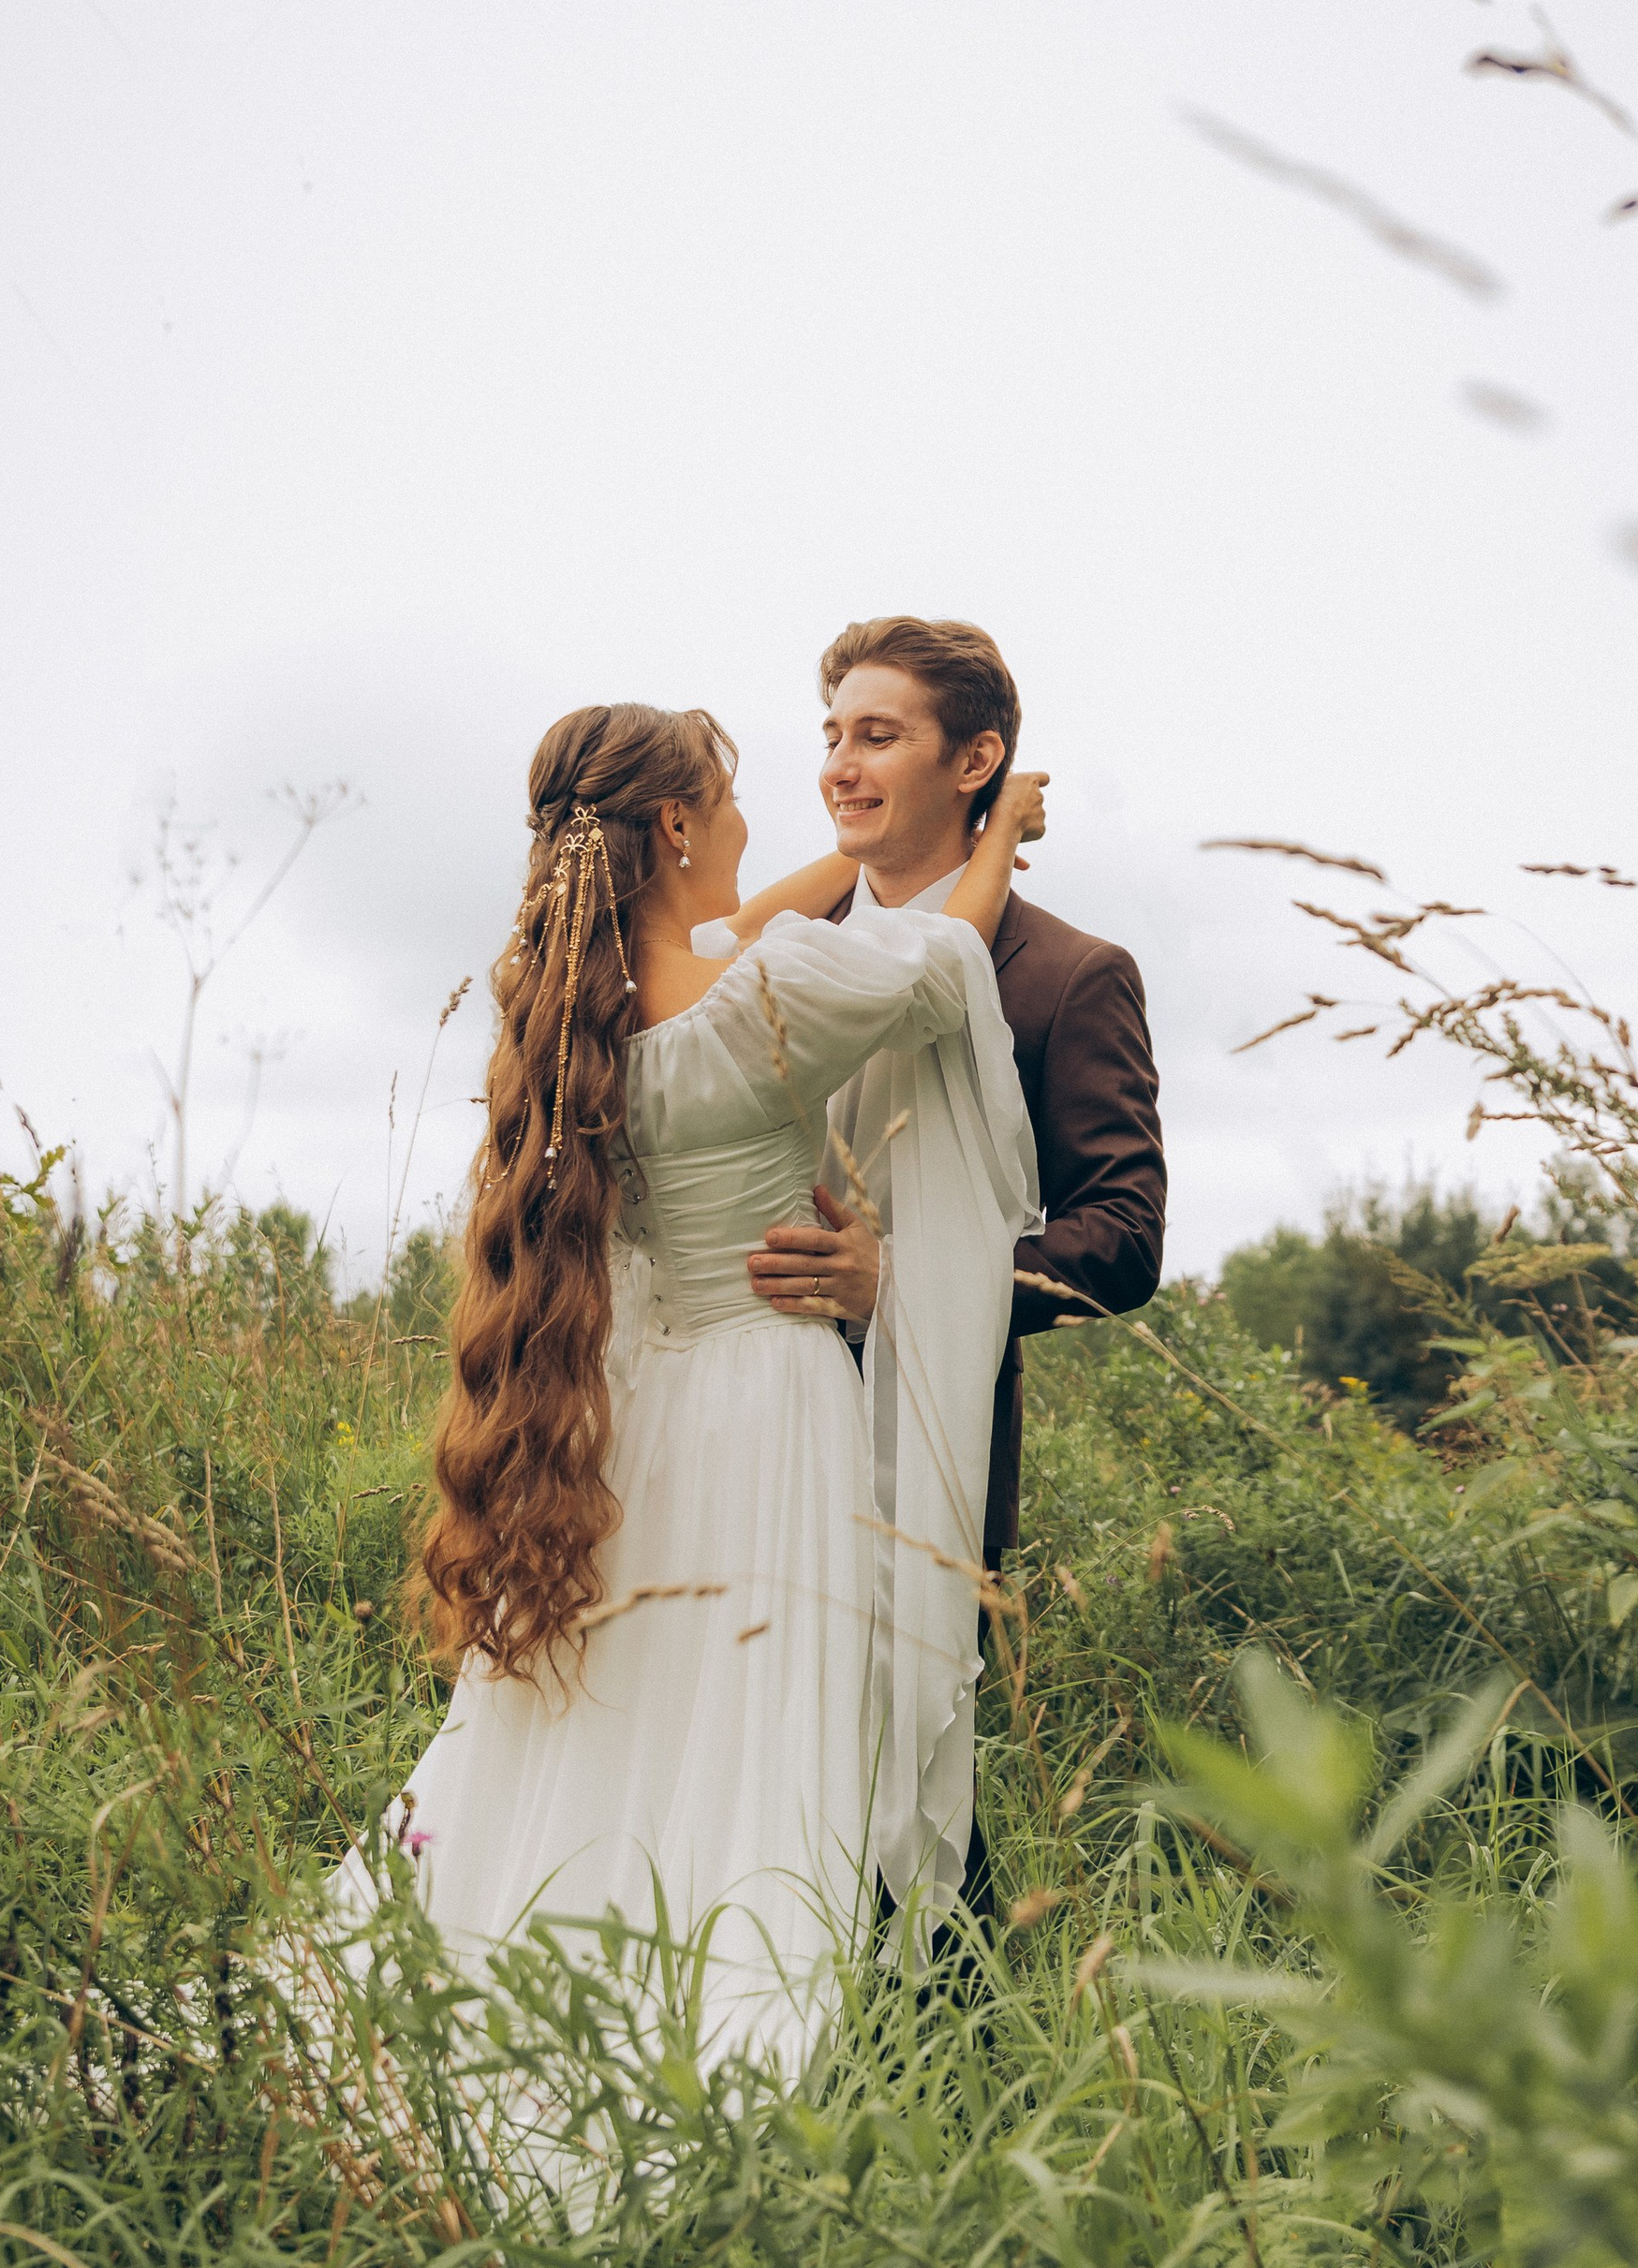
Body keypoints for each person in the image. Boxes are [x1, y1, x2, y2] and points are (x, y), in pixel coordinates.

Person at [359, 700, 1042, 2070]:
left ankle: (534, 1970)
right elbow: (939, 958)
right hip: (761, 1404)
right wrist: (1001, 835)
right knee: (748, 1717)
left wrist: (860, 847)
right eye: (727, 809)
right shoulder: (764, 1004)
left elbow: (784, 907)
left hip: (628, 1414)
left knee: (627, 1707)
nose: (753, 831)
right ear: (675, 830)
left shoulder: (591, 1012)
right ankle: (722, 2007)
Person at [745, 616, 1167, 1917]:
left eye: (878, 735)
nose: (840, 765)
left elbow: (1128, 1232)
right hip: (742, 1409)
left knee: (905, 1769)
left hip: (929, 1433)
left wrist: (907, 1277)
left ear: (974, 757)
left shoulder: (1070, 977)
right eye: (831, 736)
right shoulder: (776, 940)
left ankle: (951, 2044)